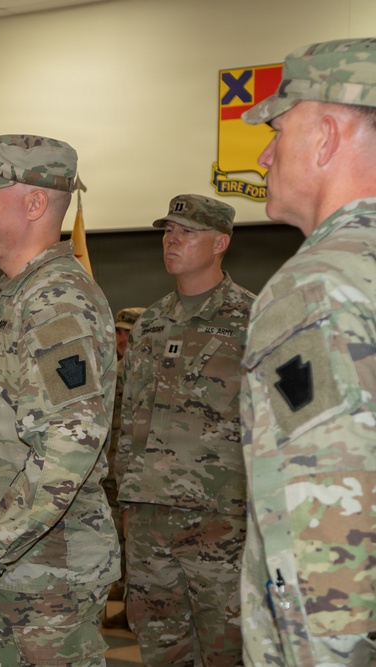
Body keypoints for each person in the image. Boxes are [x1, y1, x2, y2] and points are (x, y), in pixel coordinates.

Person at [0, 134, 119, 666]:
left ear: (35, 204)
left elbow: (69, 446)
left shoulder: (58, 301)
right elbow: (0, 418)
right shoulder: (15, 294)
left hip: (38, 580)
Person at [239, 37, 376, 667]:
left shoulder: (319, 285)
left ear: (324, 137)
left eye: (278, 130)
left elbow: (328, 545)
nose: (265, 155)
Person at [117, 194, 254, 666]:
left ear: (220, 242)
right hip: (149, 514)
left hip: (221, 517)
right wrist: (126, 498)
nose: (172, 240)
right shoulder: (151, 322)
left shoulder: (251, 318)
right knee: (160, 647)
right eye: (167, 231)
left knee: (227, 648)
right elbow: (130, 414)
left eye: (187, 232)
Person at [101, 306, 145, 630]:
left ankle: (134, 609)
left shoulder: (147, 373)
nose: (121, 339)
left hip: (136, 472)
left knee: (136, 541)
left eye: (128, 333)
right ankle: (124, 590)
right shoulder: (113, 370)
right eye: (118, 332)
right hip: (111, 469)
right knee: (118, 537)